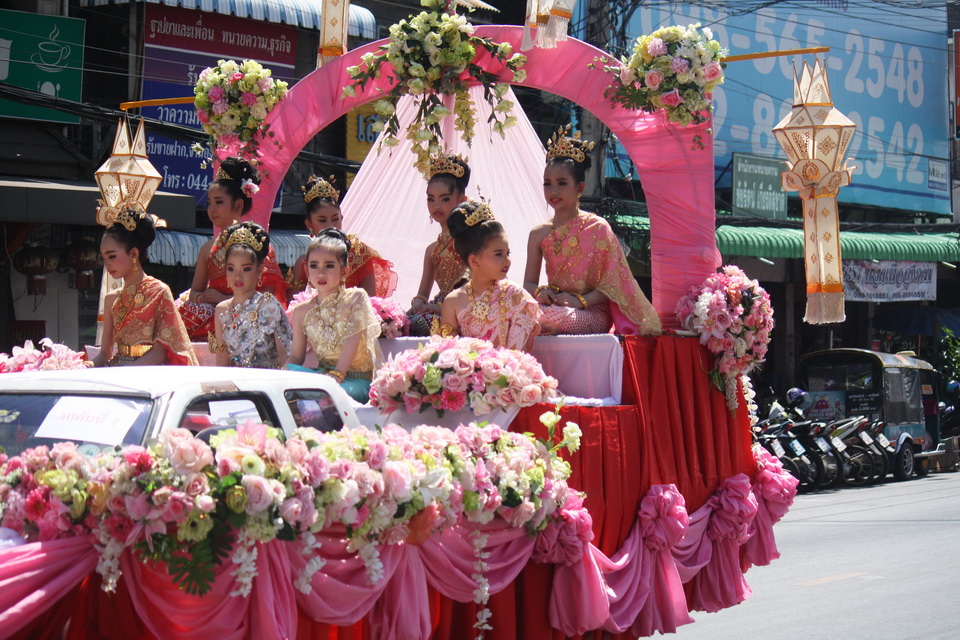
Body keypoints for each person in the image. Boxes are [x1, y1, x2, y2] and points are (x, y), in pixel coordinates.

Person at [524, 127, 661, 336]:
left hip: (592, 312)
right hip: (555, 306)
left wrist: (580, 301)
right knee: (518, 313)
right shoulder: (538, 233)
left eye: (562, 183)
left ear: (579, 188)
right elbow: (528, 283)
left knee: (546, 318)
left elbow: (613, 284)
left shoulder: (597, 227)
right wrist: (540, 291)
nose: (553, 191)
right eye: (547, 184)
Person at [177, 157, 287, 339]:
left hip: (249, 318)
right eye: (209, 203)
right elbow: (195, 291)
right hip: (213, 317)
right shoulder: (207, 248)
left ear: (238, 204)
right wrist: (202, 298)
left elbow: (269, 296)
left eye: (219, 202)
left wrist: (225, 301)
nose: (212, 209)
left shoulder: (257, 243)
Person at [93, 207, 197, 367]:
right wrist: (84, 366)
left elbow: (159, 353)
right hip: (116, 368)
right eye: (104, 258)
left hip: (146, 371)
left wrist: (124, 371)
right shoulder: (111, 299)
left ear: (133, 254)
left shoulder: (158, 291)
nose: (107, 264)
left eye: (112, 256)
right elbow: (104, 354)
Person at [287, 229, 382, 403]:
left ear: (344, 271)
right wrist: (280, 374)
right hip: (322, 378)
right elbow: (296, 357)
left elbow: (351, 342)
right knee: (288, 378)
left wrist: (337, 375)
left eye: (329, 265)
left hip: (353, 382)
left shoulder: (356, 298)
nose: (320, 273)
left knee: (327, 395)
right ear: (306, 271)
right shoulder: (301, 311)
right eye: (314, 266)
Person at [437, 200, 540, 351]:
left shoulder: (516, 296)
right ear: (474, 260)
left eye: (508, 253)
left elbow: (516, 355)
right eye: (498, 254)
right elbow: (448, 353)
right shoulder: (452, 301)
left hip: (507, 366)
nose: (507, 260)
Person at [288, 175, 397, 299]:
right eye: (322, 220)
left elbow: (369, 301)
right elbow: (294, 304)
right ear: (309, 224)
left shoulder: (359, 254)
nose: (330, 225)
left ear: (341, 218)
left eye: (335, 219)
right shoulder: (304, 261)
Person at [210, 222, 292, 369]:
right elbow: (222, 359)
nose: (237, 276)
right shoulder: (221, 309)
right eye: (231, 269)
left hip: (265, 380)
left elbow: (286, 356)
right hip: (234, 380)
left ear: (259, 270)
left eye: (246, 269)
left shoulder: (268, 305)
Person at [407, 152, 470, 336]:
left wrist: (444, 307)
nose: (436, 206)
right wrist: (419, 303)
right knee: (403, 323)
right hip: (436, 308)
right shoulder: (432, 250)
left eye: (445, 199)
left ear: (462, 201)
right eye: (431, 199)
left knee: (423, 324)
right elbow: (423, 293)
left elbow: (474, 287)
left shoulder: (470, 242)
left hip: (464, 307)